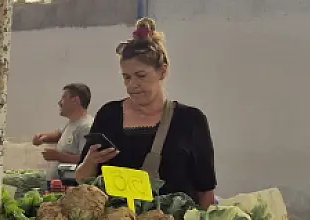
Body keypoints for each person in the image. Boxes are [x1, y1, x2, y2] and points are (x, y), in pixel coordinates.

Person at [74, 18, 217, 207]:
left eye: (141, 76)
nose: (132, 85)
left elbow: (206, 190)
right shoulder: (109, 116)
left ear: (162, 72)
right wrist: (91, 162)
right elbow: (82, 179)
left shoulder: (191, 120)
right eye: (126, 77)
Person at [32, 83, 92, 173]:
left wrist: (57, 156)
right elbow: (59, 134)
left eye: (63, 98)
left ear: (75, 100)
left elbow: (86, 160)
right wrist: (42, 137)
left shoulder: (86, 127)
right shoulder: (72, 123)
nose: (59, 102)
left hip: (73, 185)